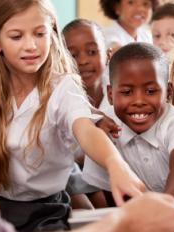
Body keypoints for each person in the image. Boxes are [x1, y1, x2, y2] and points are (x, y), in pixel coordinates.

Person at [0, 0, 174, 232]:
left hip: (47, 209)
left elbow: (85, 129)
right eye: (16, 36)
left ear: (52, 34)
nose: (31, 46)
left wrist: (115, 165)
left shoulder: (63, 85)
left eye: (40, 34)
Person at [83, 42, 174, 204]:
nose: (139, 101)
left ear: (168, 92)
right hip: (138, 209)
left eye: (150, 91)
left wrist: (162, 213)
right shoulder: (103, 127)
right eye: (127, 92)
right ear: (111, 95)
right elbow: (110, 192)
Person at [62, 18, 114, 209]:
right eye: (72, 55)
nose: (83, 61)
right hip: (71, 174)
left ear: (108, 55)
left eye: (92, 52)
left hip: (116, 170)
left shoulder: (121, 93)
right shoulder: (60, 97)